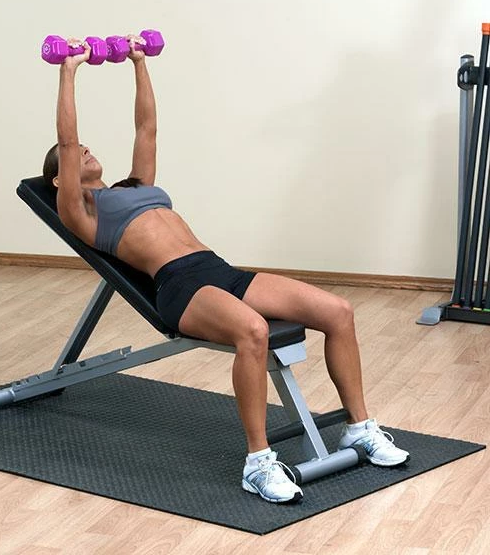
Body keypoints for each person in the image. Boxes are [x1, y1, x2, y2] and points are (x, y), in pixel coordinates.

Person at [43, 35, 409, 504]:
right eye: (76, 155)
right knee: (253, 331)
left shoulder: (135, 186)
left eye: (88, 147)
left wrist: (138, 62)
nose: (85, 150)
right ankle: (258, 462)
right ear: (61, 179)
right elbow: (67, 140)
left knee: (337, 311)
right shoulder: (81, 214)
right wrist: (68, 71)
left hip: (218, 269)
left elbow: (147, 127)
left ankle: (358, 428)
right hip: (179, 285)